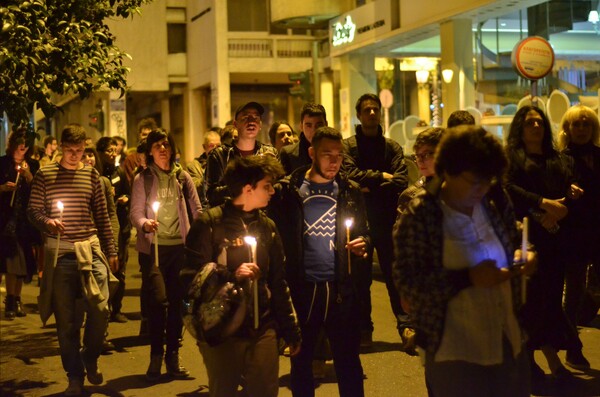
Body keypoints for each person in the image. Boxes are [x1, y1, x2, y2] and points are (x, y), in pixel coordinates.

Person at [393, 125, 535, 397]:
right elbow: (409, 286)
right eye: (474, 181)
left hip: (506, 339)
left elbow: (515, 236)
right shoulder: (422, 213)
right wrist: (466, 278)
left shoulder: (493, 198)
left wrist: (524, 253)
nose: (481, 188)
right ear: (448, 171)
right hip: (453, 350)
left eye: (487, 179)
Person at [182, 155, 301, 397]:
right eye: (267, 186)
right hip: (223, 330)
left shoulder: (267, 227)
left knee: (265, 391)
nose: (272, 192)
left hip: (262, 326)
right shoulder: (210, 223)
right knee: (223, 390)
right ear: (248, 189)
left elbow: (278, 281)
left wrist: (290, 329)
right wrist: (231, 275)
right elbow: (189, 277)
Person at [269, 126, 370, 397]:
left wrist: (363, 244)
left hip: (340, 288)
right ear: (312, 153)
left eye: (339, 155)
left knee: (348, 362)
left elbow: (364, 232)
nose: (334, 161)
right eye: (327, 154)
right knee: (301, 361)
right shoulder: (289, 191)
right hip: (304, 288)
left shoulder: (349, 191)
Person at [28, 124, 118, 397]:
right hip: (61, 253)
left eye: (79, 151)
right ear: (61, 148)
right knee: (66, 322)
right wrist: (48, 222)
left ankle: (90, 355)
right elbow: (33, 211)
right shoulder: (45, 175)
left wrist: (111, 250)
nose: (75, 155)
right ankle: (74, 377)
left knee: (101, 308)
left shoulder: (91, 175)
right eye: (70, 150)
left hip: (89, 251)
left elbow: (102, 217)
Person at [505, 105, 587, 379]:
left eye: (539, 122)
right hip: (528, 237)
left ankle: (551, 360)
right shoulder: (513, 158)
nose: (536, 126)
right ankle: (532, 360)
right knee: (532, 301)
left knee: (551, 300)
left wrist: (569, 194)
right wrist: (541, 208)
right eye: (530, 123)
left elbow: (565, 185)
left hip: (555, 238)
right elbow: (511, 191)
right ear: (520, 127)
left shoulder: (555, 157)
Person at [130, 128, 202, 381]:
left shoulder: (182, 177)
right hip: (154, 250)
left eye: (166, 145)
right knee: (159, 301)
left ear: (172, 148)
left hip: (179, 249)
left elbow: (197, 209)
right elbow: (135, 212)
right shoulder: (143, 179)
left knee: (176, 305)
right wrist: (144, 224)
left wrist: (203, 231)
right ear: (150, 151)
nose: (162, 149)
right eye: (157, 145)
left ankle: (173, 355)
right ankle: (155, 355)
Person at [342, 93, 408, 347]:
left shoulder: (392, 147)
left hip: (388, 220)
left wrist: (367, 184)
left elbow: (401, 181)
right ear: (359, 115)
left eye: (375, 109)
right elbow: (349, 176)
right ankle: (364, 330)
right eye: (366, 110)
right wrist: (382, 175)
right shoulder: (349, 146)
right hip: (359, 221)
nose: (371, 113)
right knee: (361, 279)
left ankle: (406, 326)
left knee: (394, 275)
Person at [394, 127, 444, 354]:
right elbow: (402, 249)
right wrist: (406, 290)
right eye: (418, 156)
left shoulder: (463, 191)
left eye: (428, 154)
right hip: (429, 294)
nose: (421, 161)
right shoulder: (413, 197)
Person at [558, 105, 600, 341]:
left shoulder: (599, 155)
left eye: (587, 124)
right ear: (568, 128)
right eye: (577, 124)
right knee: (573, 290)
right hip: (574, 234)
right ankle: (570, 341)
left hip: (598, 230)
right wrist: (567, 191)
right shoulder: (562, 160)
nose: (582, 129)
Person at [0, 128, 41, 319]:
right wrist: (3, 188)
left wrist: (28, 176)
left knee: (21, 264)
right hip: (6, 221)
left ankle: (16, 299)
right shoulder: (3, 163)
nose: (23, 145)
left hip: (25, 222)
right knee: (11, 262)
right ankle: (10, 299)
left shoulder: (32, 164)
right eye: (20, 141)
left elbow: (40, 190)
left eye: (26, 142)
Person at [205, 102, 277, 207]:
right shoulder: (220, 155)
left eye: (256, 117)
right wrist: (247, 178)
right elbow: (211, 195)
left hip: (261, 217)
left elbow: (276, 190)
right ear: (235, 124)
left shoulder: (270, 153)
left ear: (260, 125)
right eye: (246, 117)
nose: (251, 122)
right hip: (231, 217)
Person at [96, 137, 131, 323]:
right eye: (108, 150)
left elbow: (129, 192)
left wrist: (124, 198)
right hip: (102, 228)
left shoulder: (119, 172)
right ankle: (103, 308)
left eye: (114, 150)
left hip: (121, 225)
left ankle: (116, 308)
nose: (112, 153)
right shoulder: (96, 174)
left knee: (119, 269)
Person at [279, 103, 328, 175]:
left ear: (326, 125)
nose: (314, 130)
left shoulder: (336, 152)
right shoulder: (288, 154)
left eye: (319, 125)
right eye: (309, 125)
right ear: (301, 126)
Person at [187, 130, 221, 207]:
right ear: (204, 147)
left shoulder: (225, 162)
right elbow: (193, 188)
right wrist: (209, 174)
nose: (215, 149)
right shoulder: (194, 166)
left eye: (218, 146)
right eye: (211, 145)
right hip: (204, 208)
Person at [122, 118, 158, 186]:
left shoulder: (158, 156)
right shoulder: (130, 159)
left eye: (149, 134)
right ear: (139, 136)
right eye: (144, 134)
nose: (147, 137)